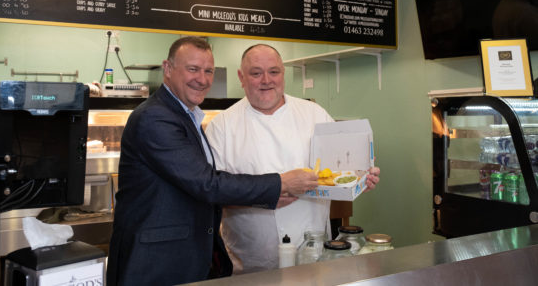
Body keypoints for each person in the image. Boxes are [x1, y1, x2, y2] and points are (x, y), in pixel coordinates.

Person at [106, 37, 319, 286]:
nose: (203, 79)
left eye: (208, 71)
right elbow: (208, 184)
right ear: (168, 68)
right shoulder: (155, 118)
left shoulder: (186, 116)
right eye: (193, 69)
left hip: (183, 258)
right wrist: (280, 183)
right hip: (156, 262)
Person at [205, 44, 380, 273]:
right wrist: (264, 195)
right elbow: (211, 192)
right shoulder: (222, 126)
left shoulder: (314, 114)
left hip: (313, 255)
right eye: (256, 73)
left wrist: (359, 179)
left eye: (274, 72)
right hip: (250, 261)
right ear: (241, 77)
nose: (266, 80)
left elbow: (340, 172)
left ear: (283, 74)